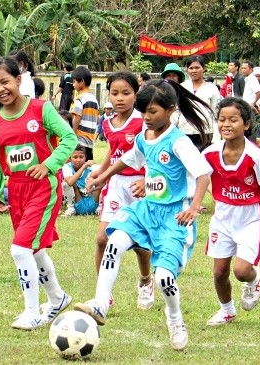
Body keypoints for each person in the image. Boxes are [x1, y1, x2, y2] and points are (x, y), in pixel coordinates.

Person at [75, 78, 212, 351]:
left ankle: (175, 318)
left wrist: (194, 207)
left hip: (173, 218)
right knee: (113, 242)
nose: (147, 117)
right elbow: (130, 158)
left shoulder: (179, 142)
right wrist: (103, 176)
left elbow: (203, 173)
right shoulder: (144, 136)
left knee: (164, 279)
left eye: (153, 112)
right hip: (146, 210)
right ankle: (101, 302)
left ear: (170, 110)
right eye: (144, 112)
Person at [0, 56, 78, 330]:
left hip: (44, 188)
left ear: (19, 80)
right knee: (33, 251)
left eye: (5, 82)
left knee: (20, 249)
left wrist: (49, 165)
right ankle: (57, 298)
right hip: (17, 190)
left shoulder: (41, 109)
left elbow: (69, 138)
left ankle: (33, 311)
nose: (0, 89)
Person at [202, 97, 260, 326]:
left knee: (241, 271)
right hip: (223, 215)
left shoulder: (255, 157)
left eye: (233, 119)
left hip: (252, 216)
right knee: (219, 272)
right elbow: (196, 177)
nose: (226, 124)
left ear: (247, 125)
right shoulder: (210, 154)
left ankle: (254, 278)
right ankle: (227, 311)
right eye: (222, 119)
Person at [87, 71, 153, 311]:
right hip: (115, 185)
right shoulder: (107, 122)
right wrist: (100, 174)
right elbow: (113, 153)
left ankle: (146, 281)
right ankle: (103, 296)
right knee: (102, 239)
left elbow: (150, 155)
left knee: (139, 243)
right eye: (115, 93)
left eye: (126, 93)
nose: (120, 98)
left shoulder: (142, 122)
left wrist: (147, 181)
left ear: (136, 94)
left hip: (138, 186)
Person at [182, 55, 221, 147]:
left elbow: (216, 114)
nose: (194, 71)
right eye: (191, 68)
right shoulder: (182, 87)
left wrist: (216, 137)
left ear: (203, 68)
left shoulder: (212, 88)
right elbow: (177, 112)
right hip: (184, 132)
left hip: (205, 133)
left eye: (197, 67)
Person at [61, 145, 101, 216]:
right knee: (65, 183)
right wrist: (84, 167)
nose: (78, 160)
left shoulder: (92, 167)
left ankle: (100, 207)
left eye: (81, 157)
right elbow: (70, 182)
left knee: (102, 179)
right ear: (70, 158)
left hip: (93, 200)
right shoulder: (67, 167)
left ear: (85, 157)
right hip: (78, 201)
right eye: (75, 157)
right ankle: (71, 208)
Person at [71, 66, 99, 161]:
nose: (73, 85)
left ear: (81, 81)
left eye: (74, 82)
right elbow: (97, 119)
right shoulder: (94, 99)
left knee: (77, 167)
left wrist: (72, 134)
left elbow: (77, 118)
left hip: (80, 140)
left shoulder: (80, 98)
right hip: (90, 140)